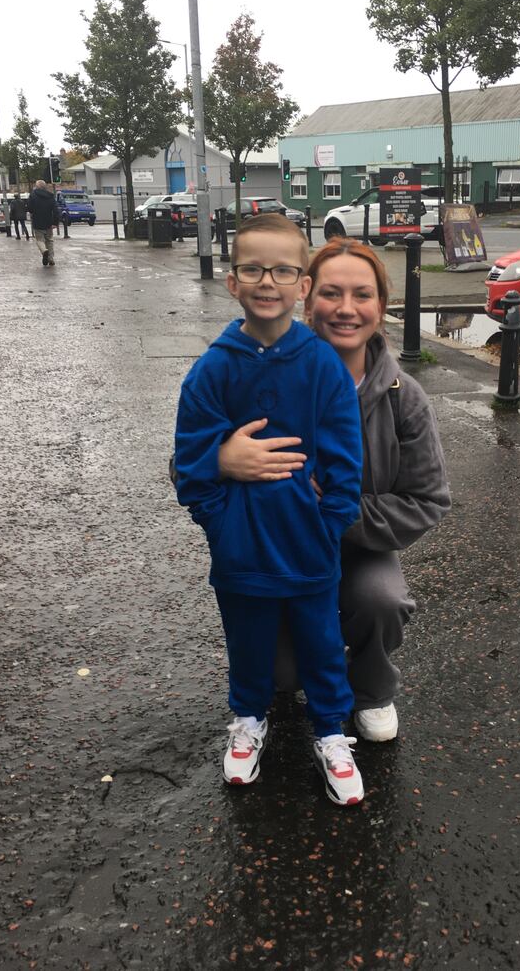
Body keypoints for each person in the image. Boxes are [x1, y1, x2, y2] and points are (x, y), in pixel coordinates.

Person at [218, 237, 450, 743]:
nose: (346, 309)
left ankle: (371, 689)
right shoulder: (255, 374)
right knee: (284, 679)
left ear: (381, 308)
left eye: (362, 295)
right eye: (331, 293)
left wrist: (335, 510)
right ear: (307, 298)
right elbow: (182, 464)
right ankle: (303, 666)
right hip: (277, 552)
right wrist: (222, 459)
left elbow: (428, 499)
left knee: (380, 599)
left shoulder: (403, 398)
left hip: (359, 549)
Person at [174, 214, 366, 806]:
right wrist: (222, 520)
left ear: (302, 285)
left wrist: (325, 524)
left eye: (283, 270)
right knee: (248, 641)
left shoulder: (322, 367)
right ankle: (248, 720)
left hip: (309, 548)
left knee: (321, 643)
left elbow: (343, 461)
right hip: (241, 550)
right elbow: (189, 465)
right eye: (253, 269)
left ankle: (332, 732)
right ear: (232, 281)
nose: (268, 282)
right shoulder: (212, 369)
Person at [27, 180, 60, 266]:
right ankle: (51, 258)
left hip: (37, 221)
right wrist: (55, 222)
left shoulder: (33, 195)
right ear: (45, 187)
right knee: (50, 240)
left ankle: (44, 250)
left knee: (39, 240)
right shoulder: (50, 196)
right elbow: (56, 210)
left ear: (37, 187)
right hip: (49, 222)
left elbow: (29, 208)